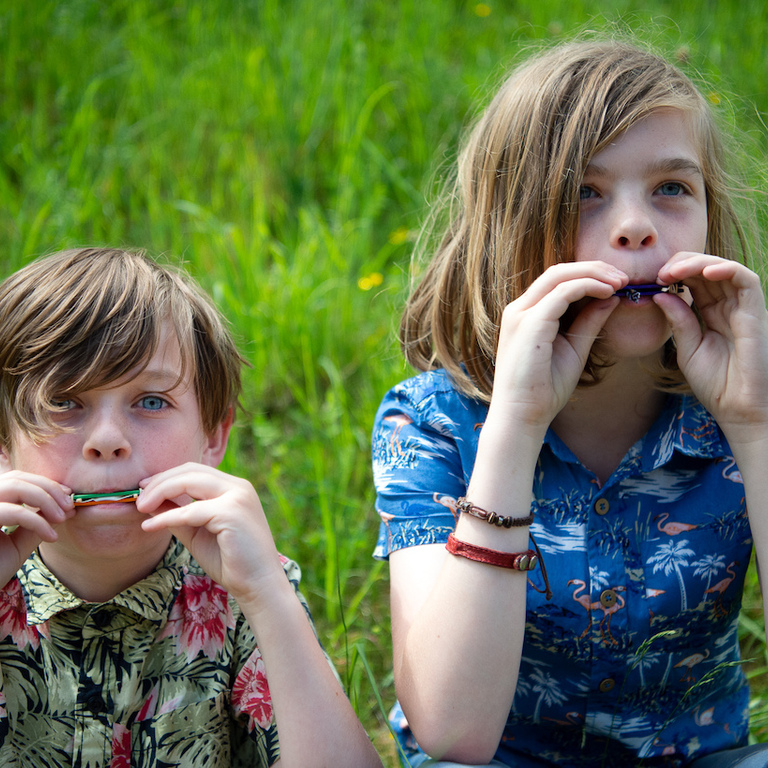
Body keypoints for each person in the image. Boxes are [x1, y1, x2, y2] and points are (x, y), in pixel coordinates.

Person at [372, 39, 768, 768]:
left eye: (672, 189)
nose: (635, 226)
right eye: (586, 193)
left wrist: (754, 427)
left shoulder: (750, 400)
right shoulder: (431, 421)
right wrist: (516, 429)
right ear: (508, 227)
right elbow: (454, 734)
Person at [0, 247, 383, 768]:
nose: (108, 440)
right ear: (4, 442)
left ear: (212, 437)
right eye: (64, 402)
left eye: (151, 401)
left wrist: (269, 596)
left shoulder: (247, 594)